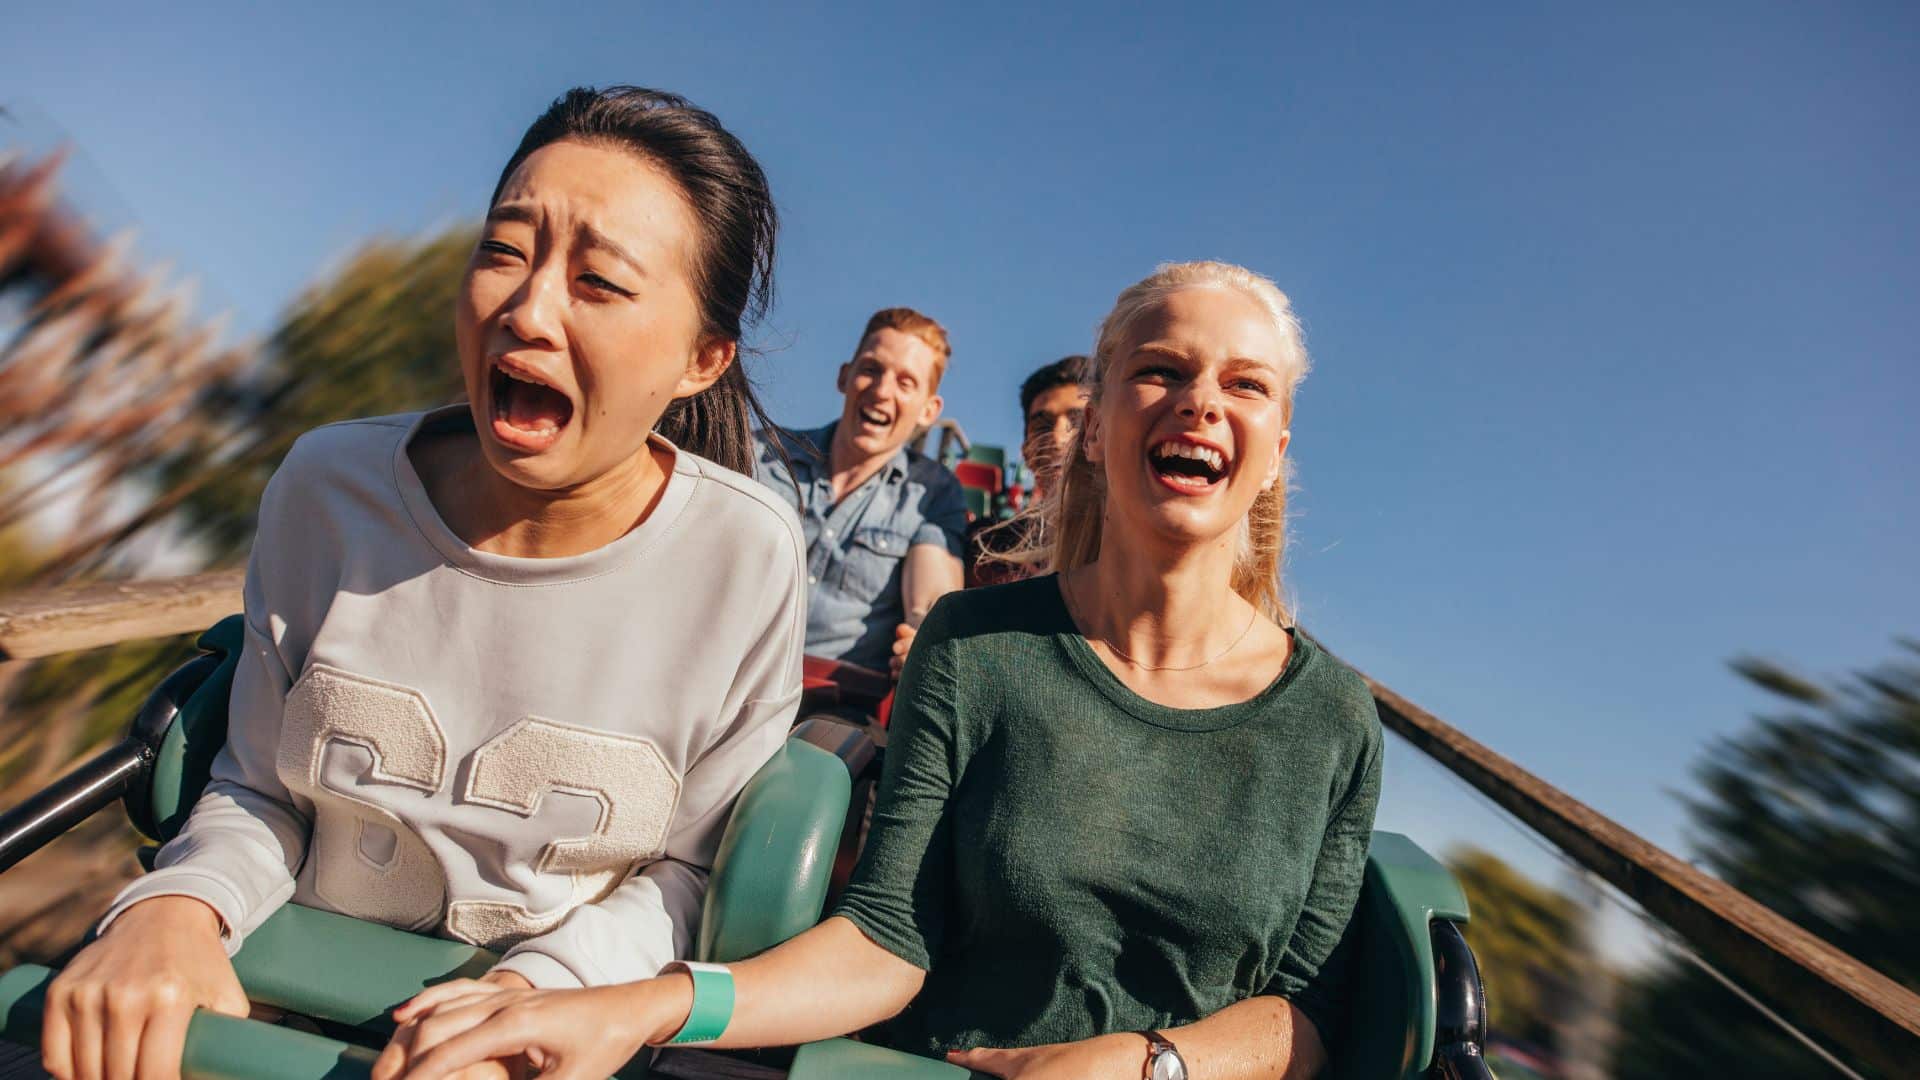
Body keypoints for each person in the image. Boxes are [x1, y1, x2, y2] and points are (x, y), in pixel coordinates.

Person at [374, 261, 1385, 1080]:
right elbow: (888, 937)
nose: (1200, 403)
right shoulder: (978, 646)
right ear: (1096, 425)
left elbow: (1309, 1014)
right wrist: (637, 1007)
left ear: (1275, 447)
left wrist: (1147, 1064)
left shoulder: (1333, 717)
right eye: (1161, 372)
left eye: (1245, 384)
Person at [41, 86, 806, 1080]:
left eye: (599, 282)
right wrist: (176, 910)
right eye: (504, 252)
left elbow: (689, 871)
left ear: (703, 358)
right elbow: (258, 789)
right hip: (269, 1008)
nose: (526, 310)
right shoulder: (327, 487)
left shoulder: (745, 558)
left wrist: (532, 999)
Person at [753, 309, 968, 680]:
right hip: (723, 676)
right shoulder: (757, 454)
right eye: (871, 369)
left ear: (929, 410)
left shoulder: (933, 492)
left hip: (836, 701)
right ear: (844, 376)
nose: (881, 391)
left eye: (905, 383)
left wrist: (925, 637)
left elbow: (931, 602)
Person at [967, 356, 1090, 586]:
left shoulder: (1143, 545)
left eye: (1077, 422)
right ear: (1026, 450)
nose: (1057, 438)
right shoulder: (986, 549)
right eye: (1042, 426)